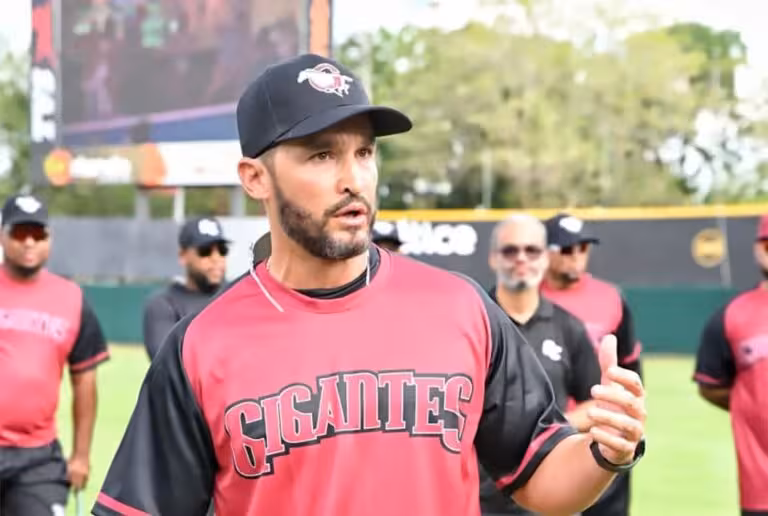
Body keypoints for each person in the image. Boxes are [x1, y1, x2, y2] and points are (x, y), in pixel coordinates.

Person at [93, 53, 646, 516]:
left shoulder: (460, 308)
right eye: (321, 154)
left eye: (364, 152)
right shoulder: (200, 347)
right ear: (256, 178)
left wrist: (604, 452)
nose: (352, 178)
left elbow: (537, 472)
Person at [480, 214, 602, 515]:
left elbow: (595, 404)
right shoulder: (472, 321)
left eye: (532, 250)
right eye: (510, 250)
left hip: (549, 495)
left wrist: (541, 432)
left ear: (546, 258)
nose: (521, 259)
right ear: (493, 258)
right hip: (480, 500)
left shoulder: (568, 327)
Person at [0, 193, 109, 516]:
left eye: (38, 233)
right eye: (20, 233)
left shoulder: (72, 299)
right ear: (3, 235)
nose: (29, 242)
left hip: (38, 459)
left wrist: (81, 455)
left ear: (50, 238)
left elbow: (85, 381)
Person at [540, 212, 643, 516]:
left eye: (583, 248)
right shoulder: (526, 301)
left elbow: (631, 369)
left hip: (603, 432)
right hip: (547, 436)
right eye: (566, 249)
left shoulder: (611, 298)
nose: (576, 257)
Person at [694, 214, 768, 516]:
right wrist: (749, 404)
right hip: (761, 485)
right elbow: (710, 385)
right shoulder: (730, 316)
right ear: (758, 248)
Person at [142, 216, 229, 360]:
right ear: (183, 255)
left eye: (222, 250)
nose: (216, 258)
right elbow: (167, 363)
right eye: (205, 251)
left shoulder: (238, 296)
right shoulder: (164, 304)